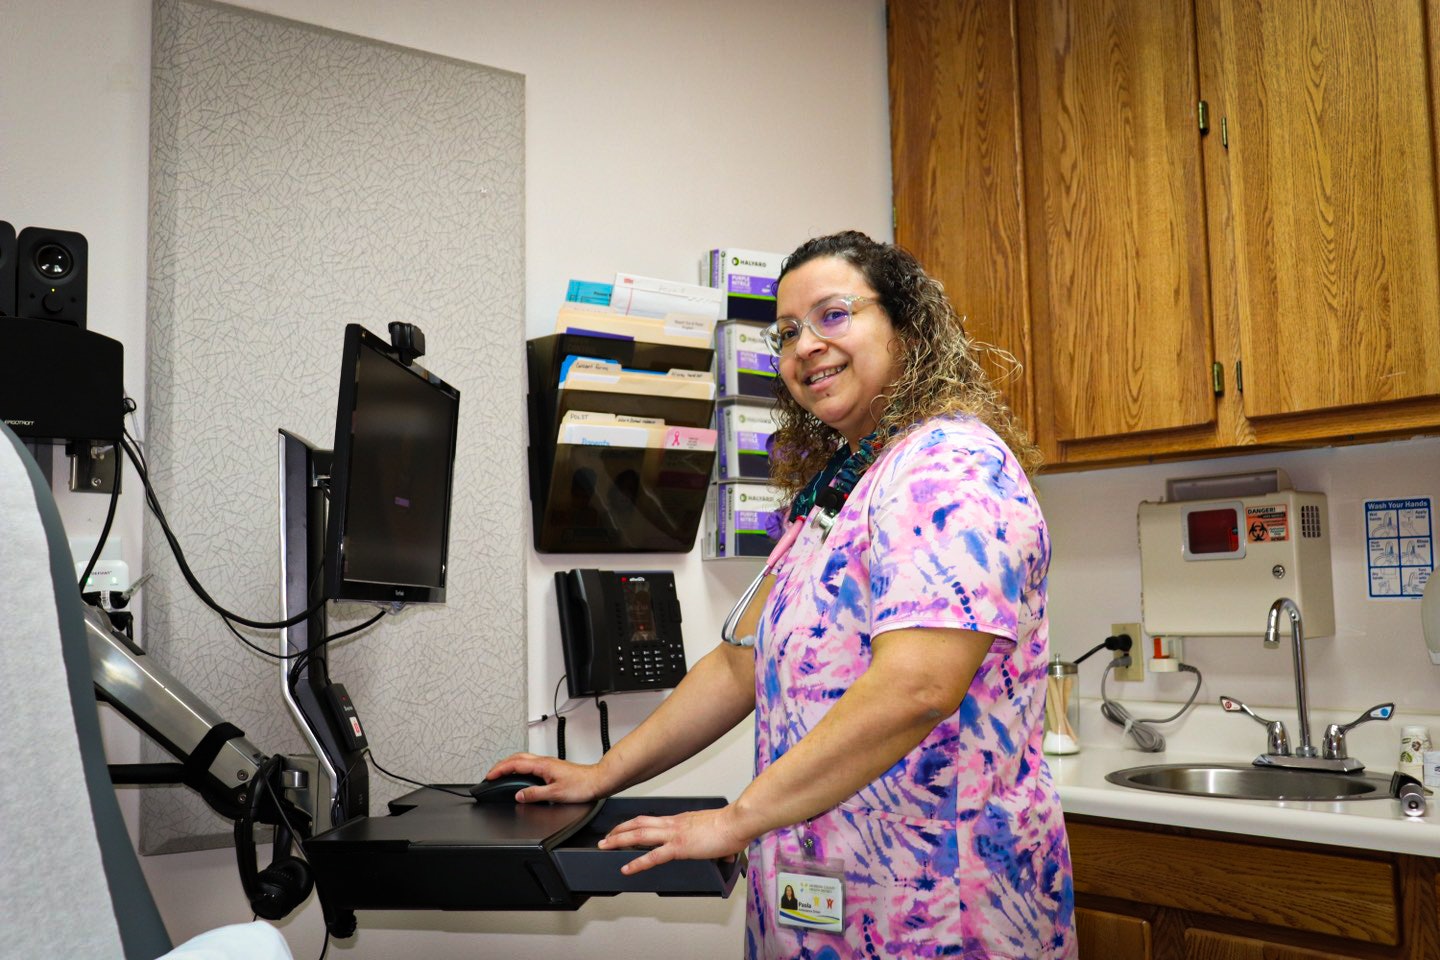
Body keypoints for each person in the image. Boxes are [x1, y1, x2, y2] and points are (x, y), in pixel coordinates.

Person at [489, 230, 1076, 958]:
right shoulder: (844, 488)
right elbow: (742, 664)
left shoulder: (946, 468)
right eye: (789, 331)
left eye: (834, 315)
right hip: (828, 891)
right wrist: (600, 774)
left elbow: (918, 686)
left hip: (936, 907)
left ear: (907, 326)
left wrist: (736, 819)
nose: (806, 346)